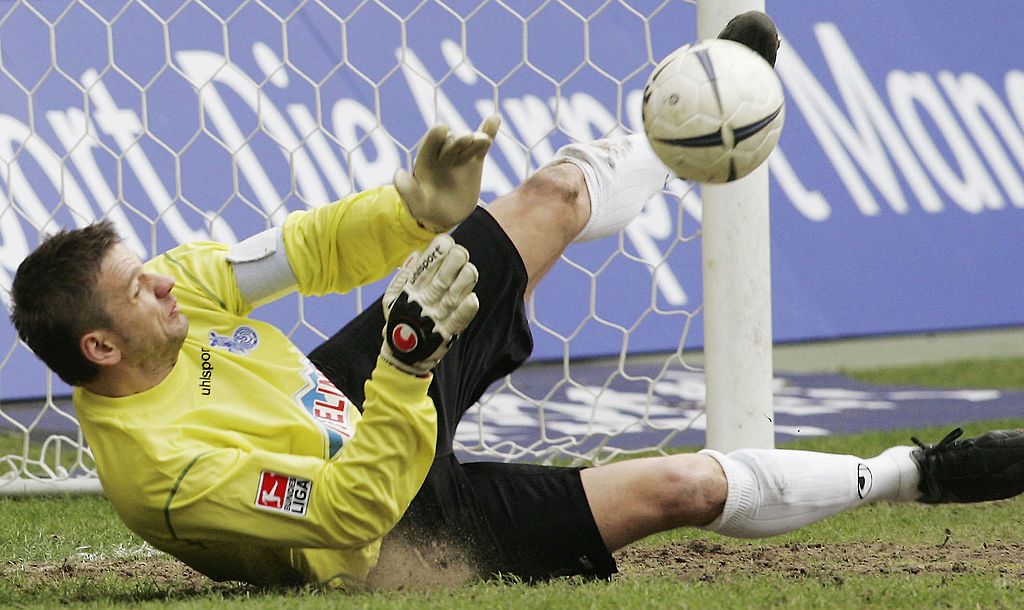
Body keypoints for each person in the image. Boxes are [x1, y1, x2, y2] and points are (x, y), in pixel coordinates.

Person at [9, 11, 1024, 590]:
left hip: (355, 393)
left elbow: (305, 251)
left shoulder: (175, 297)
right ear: (102, 346)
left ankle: (706, 113)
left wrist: (408, 211)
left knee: (549, 195)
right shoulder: (164, 475)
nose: (164, 277)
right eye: (138, 286)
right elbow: (354, 513)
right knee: (684, 489)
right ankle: (913, 473)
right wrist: (408, 371)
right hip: (391, 525)